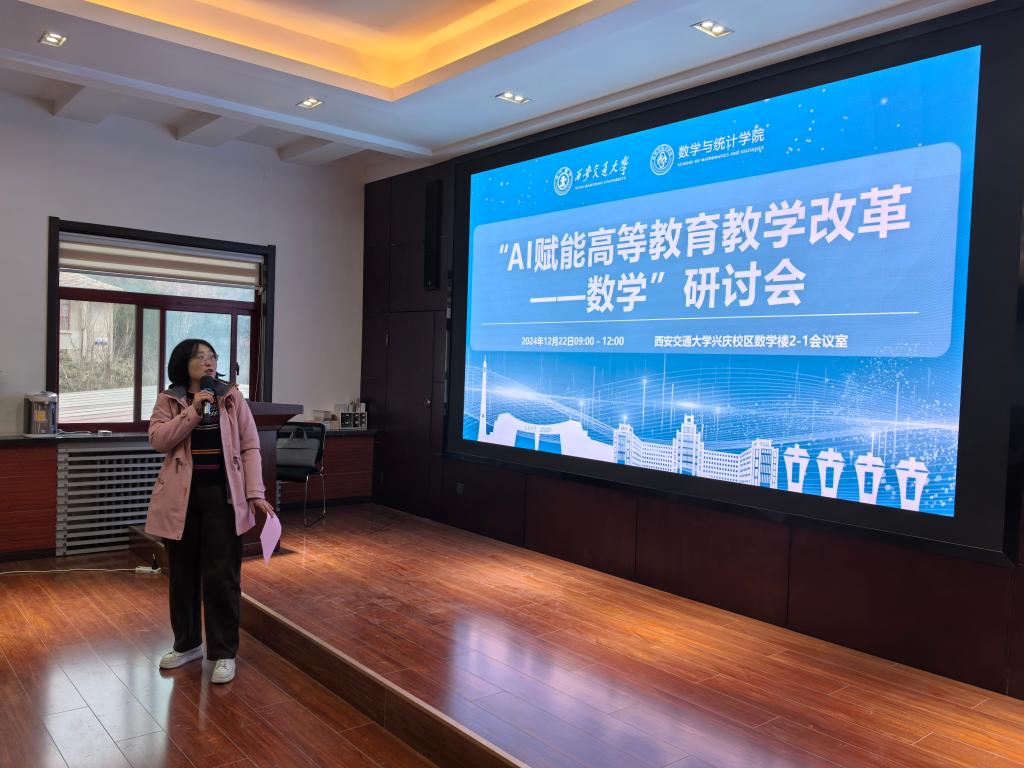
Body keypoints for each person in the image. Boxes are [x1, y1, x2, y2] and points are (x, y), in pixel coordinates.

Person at [144, 338, 275, 684]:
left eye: (212, 356)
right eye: (200, 357)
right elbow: (158, 440)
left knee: (222, 577)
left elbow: (250, 446)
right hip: (180, 500)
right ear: (183, 364)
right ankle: (188, 645)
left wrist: (255, 492)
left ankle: (223, 652)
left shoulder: (231, 397)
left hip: (223, 498)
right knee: (182, 576)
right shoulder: (170, 399)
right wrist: (193, 411)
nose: (208, 362)